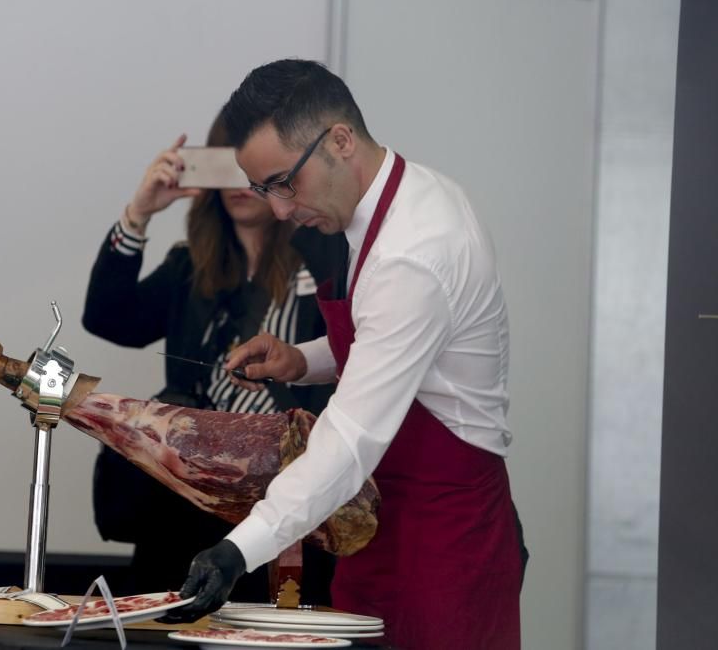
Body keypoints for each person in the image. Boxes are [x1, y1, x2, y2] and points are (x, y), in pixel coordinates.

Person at [164, 60, 527, 649]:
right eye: (264, 190)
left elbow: (352, 434)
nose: (280, 210)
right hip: (383, 520)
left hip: (441, 538)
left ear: (339, 140)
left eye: (285, 183)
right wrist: (302, 359)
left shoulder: (414, 251)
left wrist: (239, 549)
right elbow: (402, 345)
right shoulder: (409, 194)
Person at [81, 112, 347, 604]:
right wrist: (138, 215)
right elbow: (107, 317)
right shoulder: (190, 266)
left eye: (250, 169)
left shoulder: (325, 256)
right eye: (223, 167)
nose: (239, 184)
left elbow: (354, 352)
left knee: (281, 629)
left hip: (291, 498)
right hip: (188, 503)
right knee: (176, 622)